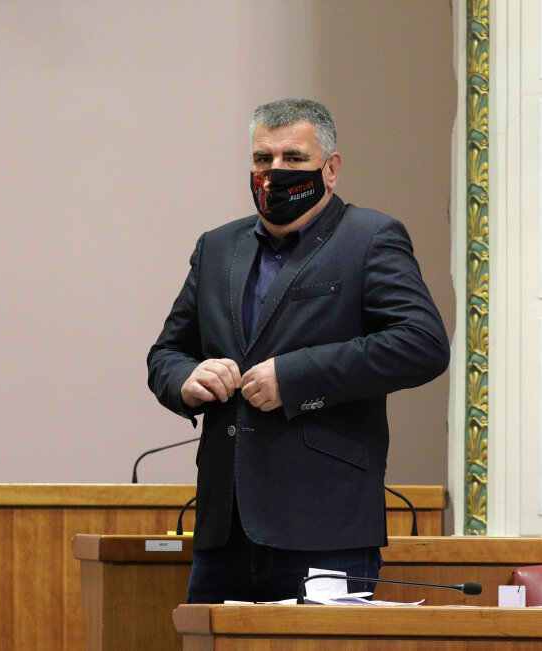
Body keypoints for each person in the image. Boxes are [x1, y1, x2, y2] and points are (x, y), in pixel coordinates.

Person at [147, 98, 449, 604]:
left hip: (326, 527)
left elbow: (422, 343)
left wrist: (295, 377)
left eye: (293, 158)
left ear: (330, 169)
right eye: (262, 158)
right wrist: (186, 379)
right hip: (224, 530)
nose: (275, 171)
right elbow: (167, 353)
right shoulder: (217, 247)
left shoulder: (370, 237)